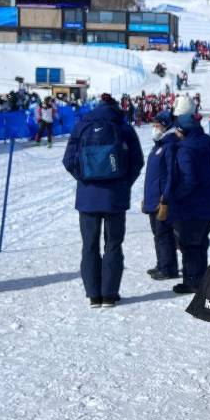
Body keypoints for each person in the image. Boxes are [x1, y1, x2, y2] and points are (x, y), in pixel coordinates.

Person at [62, 94, 144, 307]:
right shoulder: (123, 127)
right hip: (115, 197)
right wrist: (124, 184)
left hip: (87, 198)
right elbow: (137, 161)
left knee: (89, 245)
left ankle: (93, 295)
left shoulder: (82, 126)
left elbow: (68, 160)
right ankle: (109, 294)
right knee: (113, 244)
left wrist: (84, 180)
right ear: (114, 107)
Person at [164, 113, 210, 295]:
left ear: (182, 131)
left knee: (189, 244)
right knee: (201, 241)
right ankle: (201, 278)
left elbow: (189, 179)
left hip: (193, 206)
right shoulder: (206, 141)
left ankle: (192, 281)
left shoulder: (185, 149)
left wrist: (176, 195)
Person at [142, 110, 179, 281]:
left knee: (164, 234)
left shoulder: (169, 145)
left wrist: (166, 197)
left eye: (157, 125)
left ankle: (168, 268)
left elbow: (171, 174)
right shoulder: (158, 145)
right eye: (154, 125)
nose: (154, 128)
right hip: (152, 197)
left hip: (162, 199)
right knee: (157, 234)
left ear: (165, 126)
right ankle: (161, 263)